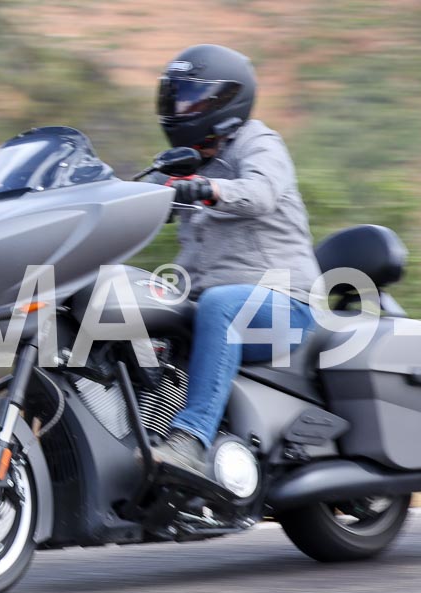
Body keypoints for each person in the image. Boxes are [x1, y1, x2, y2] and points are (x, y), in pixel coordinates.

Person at [151, 44, 321, 476]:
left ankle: (191, 439)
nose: (180, 108)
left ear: (225, 101)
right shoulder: (184, 162)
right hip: (210, 300)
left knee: (221, 304)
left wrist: (209, 189)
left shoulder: (259, 143)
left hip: (285, 303)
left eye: (191, 98)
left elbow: (261, 193)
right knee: (133, 302)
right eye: (175, 98)